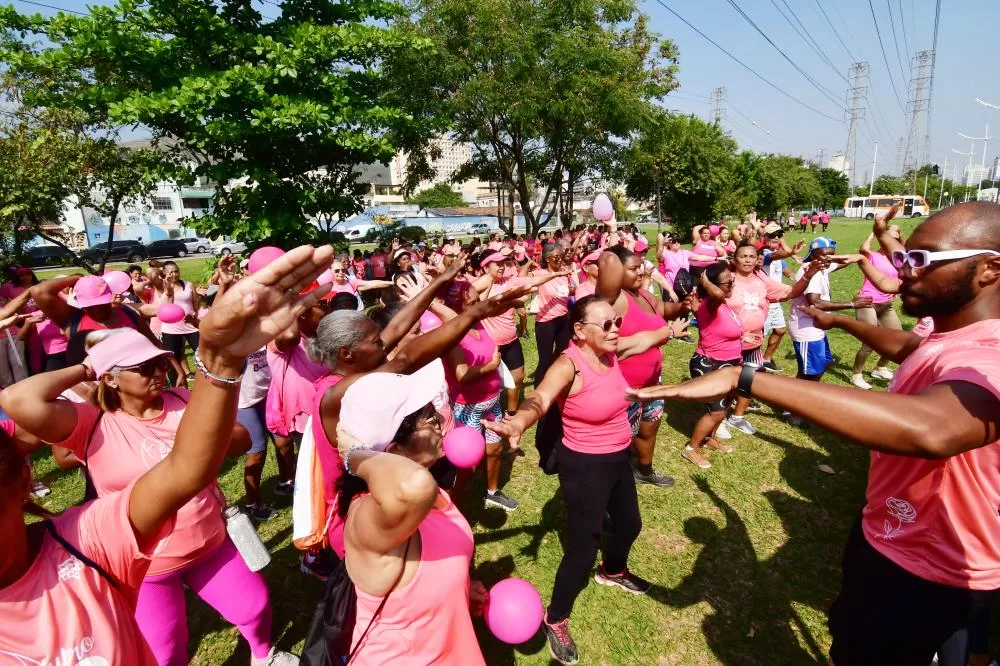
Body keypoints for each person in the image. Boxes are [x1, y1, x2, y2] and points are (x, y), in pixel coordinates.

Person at [628, 201, 1000, 666]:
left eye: (921, 260)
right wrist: (841, 320)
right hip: (885, 538)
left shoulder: (989, 355)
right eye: (904, 256)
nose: (903, 270)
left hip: (938, 572)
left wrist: (745, 378)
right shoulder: (951, 338)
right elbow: (912, 348)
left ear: (989, 269)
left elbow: (933, 428)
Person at [0, 244, 332, 666]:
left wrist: (200, 442)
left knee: (254, 605)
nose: (157, 373)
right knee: (166, 650)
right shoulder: (91, 422)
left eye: (157, 363)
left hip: (209, 540)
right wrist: (88, 366)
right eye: (141, 368)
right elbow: (17, 399)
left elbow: (237, 440)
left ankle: (263, 654)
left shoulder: (180, 398)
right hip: (147, 564)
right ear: (113, 378)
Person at [485, 296, 682, 665]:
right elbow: (540, 398)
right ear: (579, 330)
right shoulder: (568, 365)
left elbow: (640, 341)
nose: (615, 330)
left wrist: (668, 330)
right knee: (583, 546)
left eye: (616, 322)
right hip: (584, 465)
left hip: (617, 456)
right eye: (605, 325)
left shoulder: (609, 350)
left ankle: (613, 571)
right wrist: (517, 422)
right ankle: (556, 616)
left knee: (629, 524)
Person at [334, 366, 488, 665]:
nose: (440, 421)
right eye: (427, 418)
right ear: (395, 451)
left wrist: (460, 588)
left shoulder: (432, 491)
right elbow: (413, 487)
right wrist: (354, 454)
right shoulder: (369, 515)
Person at [597, 247, 688, 487]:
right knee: (620, 439)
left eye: (641, 266)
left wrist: (684, 306)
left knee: (649, 428)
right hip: (624, 387)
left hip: (652, 383)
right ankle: (616, 481)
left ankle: (644, 470)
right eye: (633, 268)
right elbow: (606, 281)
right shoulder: (614, 300)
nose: (641, 271)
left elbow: (664, 309)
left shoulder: (644, 295)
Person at [725, 242, 818, 436]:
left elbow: (791, 292)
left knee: (750, 379)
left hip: (754, 342)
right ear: (735, 259)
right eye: (743, 256)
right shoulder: (727, 279)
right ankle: (718, 418)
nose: (748, 260)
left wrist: (807, 277)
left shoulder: (762, 279)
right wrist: (736, 333)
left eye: (751, 256)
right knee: (725, 380)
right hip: (729, 343)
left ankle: (737, 417)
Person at [439, 280, 512, 508]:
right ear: (457, 307)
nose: (478, 306)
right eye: (472, 302)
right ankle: (454, 507)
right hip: (467, 405)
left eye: (477, 300)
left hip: (491, 401)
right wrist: (492, 366)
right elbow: (462, 375)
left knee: (496, 448)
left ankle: (492, 492)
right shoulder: (453, 335)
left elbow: (486, 284)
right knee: (466, 462)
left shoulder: (479, 325)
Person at [786, 238, 872, 409]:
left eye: (831, 256)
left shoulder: (822, 266)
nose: (828, 259)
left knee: (819, 366)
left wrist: (836, 257)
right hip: (806, 330)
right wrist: (853, 304)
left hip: (817, 328)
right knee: (808, 372)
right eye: (825, 255)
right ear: (813, 254)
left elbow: (847, 261)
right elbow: (815, 302)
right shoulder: (812, 272)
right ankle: (791, 408)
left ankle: (805, 401)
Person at [850, 227, 905, 390]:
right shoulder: (873, 256)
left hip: (886, 305)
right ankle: (856, 374)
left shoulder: (899, 259)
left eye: (895, 239)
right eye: (887, 239)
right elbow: (863, 249)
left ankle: (880, 368)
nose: (890, 243)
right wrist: (875, 232)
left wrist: (899, 234)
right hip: (867, 301)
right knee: (870, 341)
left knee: (897, 338)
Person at [148, 261, 201, 380]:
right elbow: (151, 274)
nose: (174, 274)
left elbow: (196, 302)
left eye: (176, 271)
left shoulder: (188, 284)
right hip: (171, 329)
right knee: (173, 361)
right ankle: (178, 389)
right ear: (164, 273)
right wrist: (160, 270)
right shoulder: (161, 286)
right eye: (170, 272)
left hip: (190, 326)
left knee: (203, 354)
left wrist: (194, 314)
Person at [318, 259, 392, 311]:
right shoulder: (326, 286)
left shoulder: (351, 282)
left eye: (343, 270)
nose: (341, 272)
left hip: (353, 316)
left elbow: (372, 284)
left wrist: (392, 283)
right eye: (337, 271)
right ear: (330, 271)